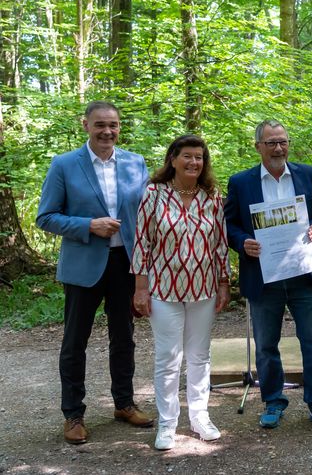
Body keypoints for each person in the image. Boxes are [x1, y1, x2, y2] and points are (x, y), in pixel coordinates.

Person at [36, 100, 153, 445]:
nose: (107, 131)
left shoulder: (135, 163)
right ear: (85, 124)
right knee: (75, 341)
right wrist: (89, 225)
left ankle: (124, 403)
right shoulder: (64, 165)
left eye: (113, 125)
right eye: (100, 124)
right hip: (84, 265)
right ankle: (73, 414)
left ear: (120, 127)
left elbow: (148, 213)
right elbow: (46, 217)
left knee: (124, 337)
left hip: (125, 263)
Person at [224, 119, 312, 431]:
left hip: (303, 274)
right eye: (271, 143)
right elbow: (229, 225)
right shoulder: (240, 182)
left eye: (283, 141)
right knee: (266, 345)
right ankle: (274, 401)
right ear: (258, 147)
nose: (278, 148)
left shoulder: (307, 173)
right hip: (263, 277)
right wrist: (241, 242)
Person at [131, 134, 230, 450]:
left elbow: (220, 245)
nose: (194, 162)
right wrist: (141, 288)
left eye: (199, 157)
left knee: (200, 356)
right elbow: (142, 243)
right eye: (187, 156)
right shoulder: (153, 195)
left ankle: (200, 418)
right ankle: (167, 424)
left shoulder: (212, 197)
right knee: (168, 357)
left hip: (203, 289)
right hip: (163, 290)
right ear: (172, 159)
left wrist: (225, 282)